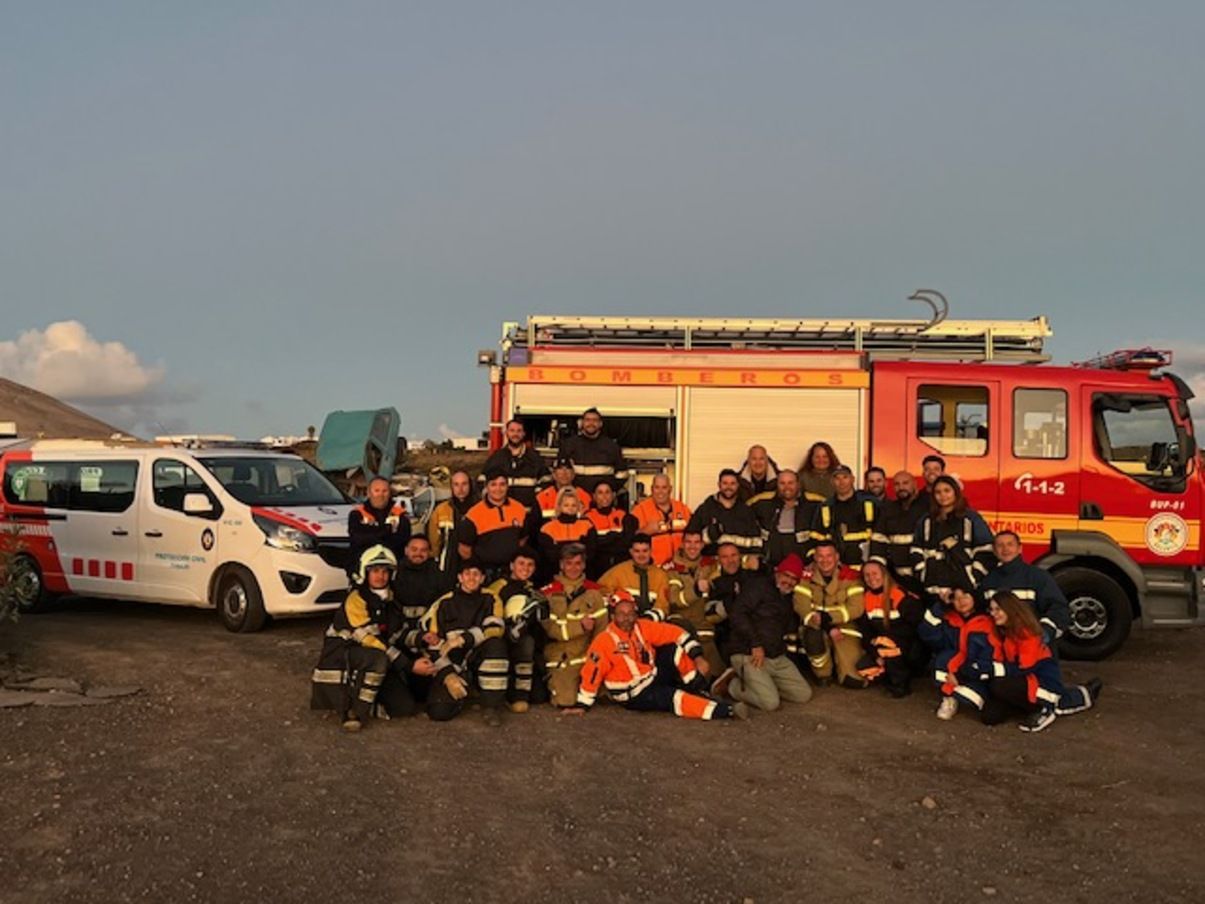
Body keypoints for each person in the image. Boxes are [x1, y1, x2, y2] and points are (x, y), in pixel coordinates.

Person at [567, 592, 747, 721]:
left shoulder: (642, 626)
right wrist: (583, 704)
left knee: (672, 649)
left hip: (650, 676)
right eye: (621, 614)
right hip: (633, 693)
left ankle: (696, 687)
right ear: (613, 616)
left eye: (630, 614)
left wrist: (698, 657)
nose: (626, 618)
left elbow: (677, 633)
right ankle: (726, 711)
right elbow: (592, 672)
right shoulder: (604, 641)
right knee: (674, 697)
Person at [311, 546, 434, 731]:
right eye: (375, 571)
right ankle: (355, 712)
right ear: (365, 573)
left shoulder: (391, 599)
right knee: (378, 657)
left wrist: (422, 638)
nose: (380, 576)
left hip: (376, 661)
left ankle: (370, 704)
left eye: (385, 571)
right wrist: (409, 665)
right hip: (343, 659)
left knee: (404, 707)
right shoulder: (356, 599)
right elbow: (371, 640)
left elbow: (398, 633)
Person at [984, 592, 1102, 732]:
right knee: (990, 716)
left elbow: (1025, 667)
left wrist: (992, 669)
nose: (993, 613)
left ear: (1010, 608)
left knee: (999, 685)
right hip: (1023, 680)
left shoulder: (1027, 632)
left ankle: (1045, 707)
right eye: (991, 609)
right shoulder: (1006, 631)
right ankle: (1079, 695)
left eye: (998, 609)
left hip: (1041, 681)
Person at [713, 554, 813, 713]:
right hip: (749, 653)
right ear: (777, 572)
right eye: (786, 575)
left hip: (775, 656)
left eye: (794, 579)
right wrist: (755, 644)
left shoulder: (789, 597)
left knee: (803, 694)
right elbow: (738, 614)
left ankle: (762, 684)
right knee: (770, 703)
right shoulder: (758, 586)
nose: (789, 581)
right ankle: (732, 686)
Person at [418, 558, 510, 723]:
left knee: (497, 645)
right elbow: (433, 644)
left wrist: (463, 639)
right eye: (467, 574)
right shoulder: (444, 603)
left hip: (479, 654)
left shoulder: (491, 598)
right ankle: (465, 690)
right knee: (438, 712)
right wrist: (447, 675)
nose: (472, 578)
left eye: (476, 574)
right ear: (460, 577)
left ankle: (491, 706)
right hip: (454, 662)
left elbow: (495, 628)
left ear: (482, 578)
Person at [540, 543, 608, 708]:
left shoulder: (595, 593)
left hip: (586, 655)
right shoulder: (547, 594)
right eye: (569, 563)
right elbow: (550, 630)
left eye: (578, 563)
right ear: (561, 565)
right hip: (560, 656)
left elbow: (601, 632)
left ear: (584, 565)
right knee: (565, 701)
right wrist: (580, 627)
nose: (573, 568)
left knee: (605, 695)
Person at [909, 475, 996, 601]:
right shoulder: (926, 521)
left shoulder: (971, 519)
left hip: (964, 591)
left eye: (947, 491)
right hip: (933, 590)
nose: (943, 496)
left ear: (956, 492)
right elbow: (916, 550)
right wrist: (923, 574)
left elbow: (986, 550)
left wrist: (973, 577)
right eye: (938, 492)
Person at [794, 542, 867, 688]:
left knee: (854, 681)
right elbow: (801, 606)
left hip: (844, 628)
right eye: (820, 556)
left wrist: (830, 618)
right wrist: (825, 626)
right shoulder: (805, 576)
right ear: (815, 557)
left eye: (829, 556)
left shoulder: (851, 576)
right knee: (812, 636)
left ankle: (842, 669)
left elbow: (856, 608)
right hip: (816, 626)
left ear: (837, 557)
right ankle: (823, 674)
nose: (824, 560)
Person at [981, 531, 1070, 648]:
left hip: (1033, 648)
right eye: (1000, 545)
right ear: (994, 551)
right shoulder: (988, 581)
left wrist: (1044, 633)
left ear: (1020, 548)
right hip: (1001, 648)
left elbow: (1059, 608)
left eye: (1010, 544)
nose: (1005, 549)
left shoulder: (1038, 577)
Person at [924, 585, 998, 721]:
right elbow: (927, 634)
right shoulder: (948, 618)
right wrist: (940, 606)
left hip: (976, 671)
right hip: (951, 667)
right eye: (956, 598)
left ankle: (958, 693)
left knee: (975, 699)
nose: (961, 601)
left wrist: (962, 676)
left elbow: (990, 656)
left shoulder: (987, 622)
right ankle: (949, 697)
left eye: (965, 596)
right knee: (943, 658)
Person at [853, 560, 926, 697]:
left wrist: (888, 640)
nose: (871, 578)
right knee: (864, 667)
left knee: (889, 649)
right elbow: (866, 632)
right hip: (882, 644)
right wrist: (875, 654)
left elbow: (916, 626)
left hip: (907, 646)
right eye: (867, 575)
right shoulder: (866, 597)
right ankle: (888, 674)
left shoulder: (899, 594)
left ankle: (901, 686)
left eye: (875, 573)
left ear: (884, 574)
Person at [486, 549, 544, 713]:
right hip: (501, 639)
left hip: (525, 645)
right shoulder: (498, 587)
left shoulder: (532, 589)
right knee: (525, 642)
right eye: (521, 563)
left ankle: (521, 691)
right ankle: (511, 696)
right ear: (511, 565)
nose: (525, 568)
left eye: (530, 565)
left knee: (539, 697)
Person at [663, 529, 724, 676]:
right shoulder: (670, 568)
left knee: (715, 675)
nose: (692, 546)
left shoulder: (711, 565)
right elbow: (674, 600)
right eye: (688, 542)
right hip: (682, 630)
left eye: (697, 542)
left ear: (703, 545)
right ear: (682, 544)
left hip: (707, 629)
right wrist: (696, 590)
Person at [457, 470, 537, 580]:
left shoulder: (519, 509)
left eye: (502, 484)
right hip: (486, 572)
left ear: (507, 486)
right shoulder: (474, 514)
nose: (498, 489)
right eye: (493, 484)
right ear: (486, 487)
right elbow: (464, 549)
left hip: (512, 571)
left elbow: (523, 539)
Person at [869, 471, 929, 592]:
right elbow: (878, 541)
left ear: (914, 484)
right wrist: (879, 570)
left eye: (905, 483)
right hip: (897, 578)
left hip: (924, 577)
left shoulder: (927, 508)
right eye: (897, 484)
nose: (901, 487)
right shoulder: (888, 509)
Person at [686, 469, 763, 563]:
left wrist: (753, 559)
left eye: (732, 483)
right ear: (719, 485)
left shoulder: (746, 511)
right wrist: (709, 536)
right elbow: (690, 541)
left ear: (738, 485)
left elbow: (756, 542)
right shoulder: (706, 509)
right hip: (711, 565)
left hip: (739, 566)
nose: (728, 487)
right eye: (725, 483)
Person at [391, 535, 451, 649]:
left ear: (429, 552)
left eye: (423, 550)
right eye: (414, 549)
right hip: (399, 627)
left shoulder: (438, 573)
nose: (418, 553)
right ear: (406, 550)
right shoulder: (394, 572)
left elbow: (444, 602)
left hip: (430, 626)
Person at [751, 469, 820, 567]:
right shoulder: (762, 503)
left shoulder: (813, 504)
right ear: (777, 485)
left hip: (803, 565)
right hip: (770, 565)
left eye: (790, 483)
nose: (786, 487)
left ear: (798, 484)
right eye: (782, 483)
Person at [815, 465, 878, 568]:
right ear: (832, 482)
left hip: (865, 568)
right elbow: (817, 539)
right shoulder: (825, 507)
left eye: (845, 477)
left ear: (852, 479)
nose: (841, 482)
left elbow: (880, 535)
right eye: (837, 478)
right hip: (836, 568)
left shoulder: (869, 504)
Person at [599, 533, 671, 621]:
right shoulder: (618, 572)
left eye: (645, 551)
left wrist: (648, 619)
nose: (641, 555)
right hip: (623, 623)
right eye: (637, 551)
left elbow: (663, 605)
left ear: (651, 551)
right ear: (631, 552)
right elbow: (600, 592)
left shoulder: (661, 576)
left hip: (652, 624)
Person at [558, 407, 628, 498]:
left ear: (600, 424)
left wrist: (608, 492)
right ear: (581, 423)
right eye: (587, 420)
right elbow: (560, 474)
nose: (591, 423)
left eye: (595, 420)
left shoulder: (611, 446)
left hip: (602, 500)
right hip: (576, 499)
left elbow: (622, 474)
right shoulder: (569, 445)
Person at [479, 418, 549, 509]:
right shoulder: (497, 458)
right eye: (512, 431)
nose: (515, 434)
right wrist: (490, 503)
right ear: (506, 433)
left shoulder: (535, 458)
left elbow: (546, 481)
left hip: (528, 512)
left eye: (519, 431)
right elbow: (482, 481)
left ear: (524, 434)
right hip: (503, 513)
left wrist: (535, 500)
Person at [347, 476, 411, 567]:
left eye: (385, 491)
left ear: (390, 493)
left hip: (393, 564)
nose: (381, 495)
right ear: (368, 493)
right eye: (376, 491)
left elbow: (402, 541)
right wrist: (386, 531)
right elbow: (357, 539)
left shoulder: (400, 514)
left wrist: (371, 532)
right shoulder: (357, 514)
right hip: (363, 565)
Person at [630, 474, 692, 565]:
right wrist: (646, 530)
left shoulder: (683, 508)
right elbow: (629, 540)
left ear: (670, 489)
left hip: (680, 567)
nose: (660, 492)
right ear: (652, 489)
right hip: (654, 568)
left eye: (664, 487)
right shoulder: (639, 510)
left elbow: (694, 537)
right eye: (657, 487)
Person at [537, 486, 596, 578]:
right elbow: (550, 556)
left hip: (583, 574)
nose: (570, 508)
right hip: (554, 573)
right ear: (559, 506)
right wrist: (578, 546)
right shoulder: (547, 528)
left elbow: (591, 552)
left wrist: (561, 547)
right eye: (566, 505)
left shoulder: (587, 525)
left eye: (573, 505)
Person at [583, 480, 637, 578]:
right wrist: (615, 537)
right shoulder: (587, 518)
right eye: (600, 493)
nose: (604, 496)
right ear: (594, 496)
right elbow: (592, 548)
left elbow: (629, 543)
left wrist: (605, 540)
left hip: (622, 567)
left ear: (613, 495)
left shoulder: (623, 516)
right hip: (598, 569)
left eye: (607, 492)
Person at [428, 469, 475, 579]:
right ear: (451, 487)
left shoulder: (479, 509)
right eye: (456, 485)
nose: (460, 489)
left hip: (473, 566)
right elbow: (434, 540)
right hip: (447, 566)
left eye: (464, 484)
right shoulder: (441, 510)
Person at [535, 456, 592, 520]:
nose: (564, 473)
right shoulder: (542, 497)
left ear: (573, 474)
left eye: (568, 469)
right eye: (560, 469)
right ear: (554, 475)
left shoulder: (585, 497)